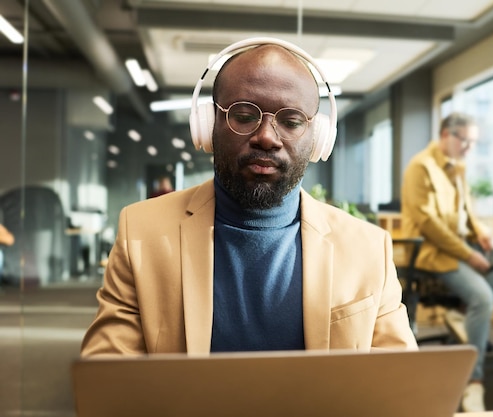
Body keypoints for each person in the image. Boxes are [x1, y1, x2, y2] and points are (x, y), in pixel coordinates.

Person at [81, 39, 417, 356]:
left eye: (291, 121)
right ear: (208, 123)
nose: (267, 138)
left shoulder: (368, 248)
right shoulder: (142, 232)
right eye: (243, 115)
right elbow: (109, 378)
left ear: (318, 139)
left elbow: (401, 385)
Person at [400, 112, 493, 412]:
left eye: (474, 142)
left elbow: (467, 210)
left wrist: (483, 234)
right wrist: (468, 254)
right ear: (446, 135)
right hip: (434, 252)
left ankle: (461, 312)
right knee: (483, 298)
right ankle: (474, 381)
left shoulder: (458, 166)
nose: (470, 148)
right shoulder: (421, 167)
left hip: (464, 243)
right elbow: (429, 224)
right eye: (466, 141)